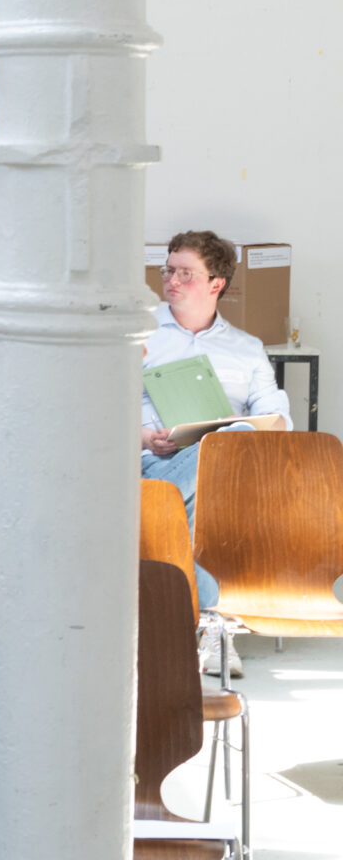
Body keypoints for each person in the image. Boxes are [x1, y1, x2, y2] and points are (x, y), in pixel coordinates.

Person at [141, 229, 290, 674]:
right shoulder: (138, 331)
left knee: (231, 445)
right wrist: (146, 438)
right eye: (168, 270)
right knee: (207, 491)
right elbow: (98, 408)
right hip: (153, 461)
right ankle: (215, 630)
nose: (172, 280)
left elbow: (279, 421)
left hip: (226, 473)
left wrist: (233, 433)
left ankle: (203, 626)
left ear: (216, 284)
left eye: (186, 273)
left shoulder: (246, 349)